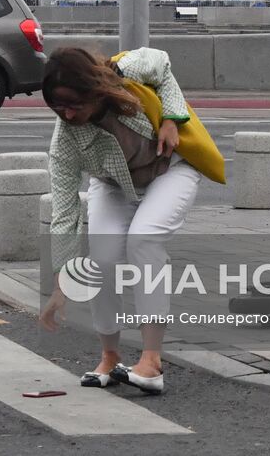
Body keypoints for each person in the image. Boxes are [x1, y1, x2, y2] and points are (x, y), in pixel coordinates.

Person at [37, 47, 221, 396]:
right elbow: (64, 210)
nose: (68, 114)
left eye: (75, 103)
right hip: (113, 183)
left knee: (144, 240)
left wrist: (171, 119)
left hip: (171, 169)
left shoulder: (127, 71)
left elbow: (164, 65)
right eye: (58, 107)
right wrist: (62, 281)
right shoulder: (64, 140)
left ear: (95, 91)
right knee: (102, 259)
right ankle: (109, 356)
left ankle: (151, 361)